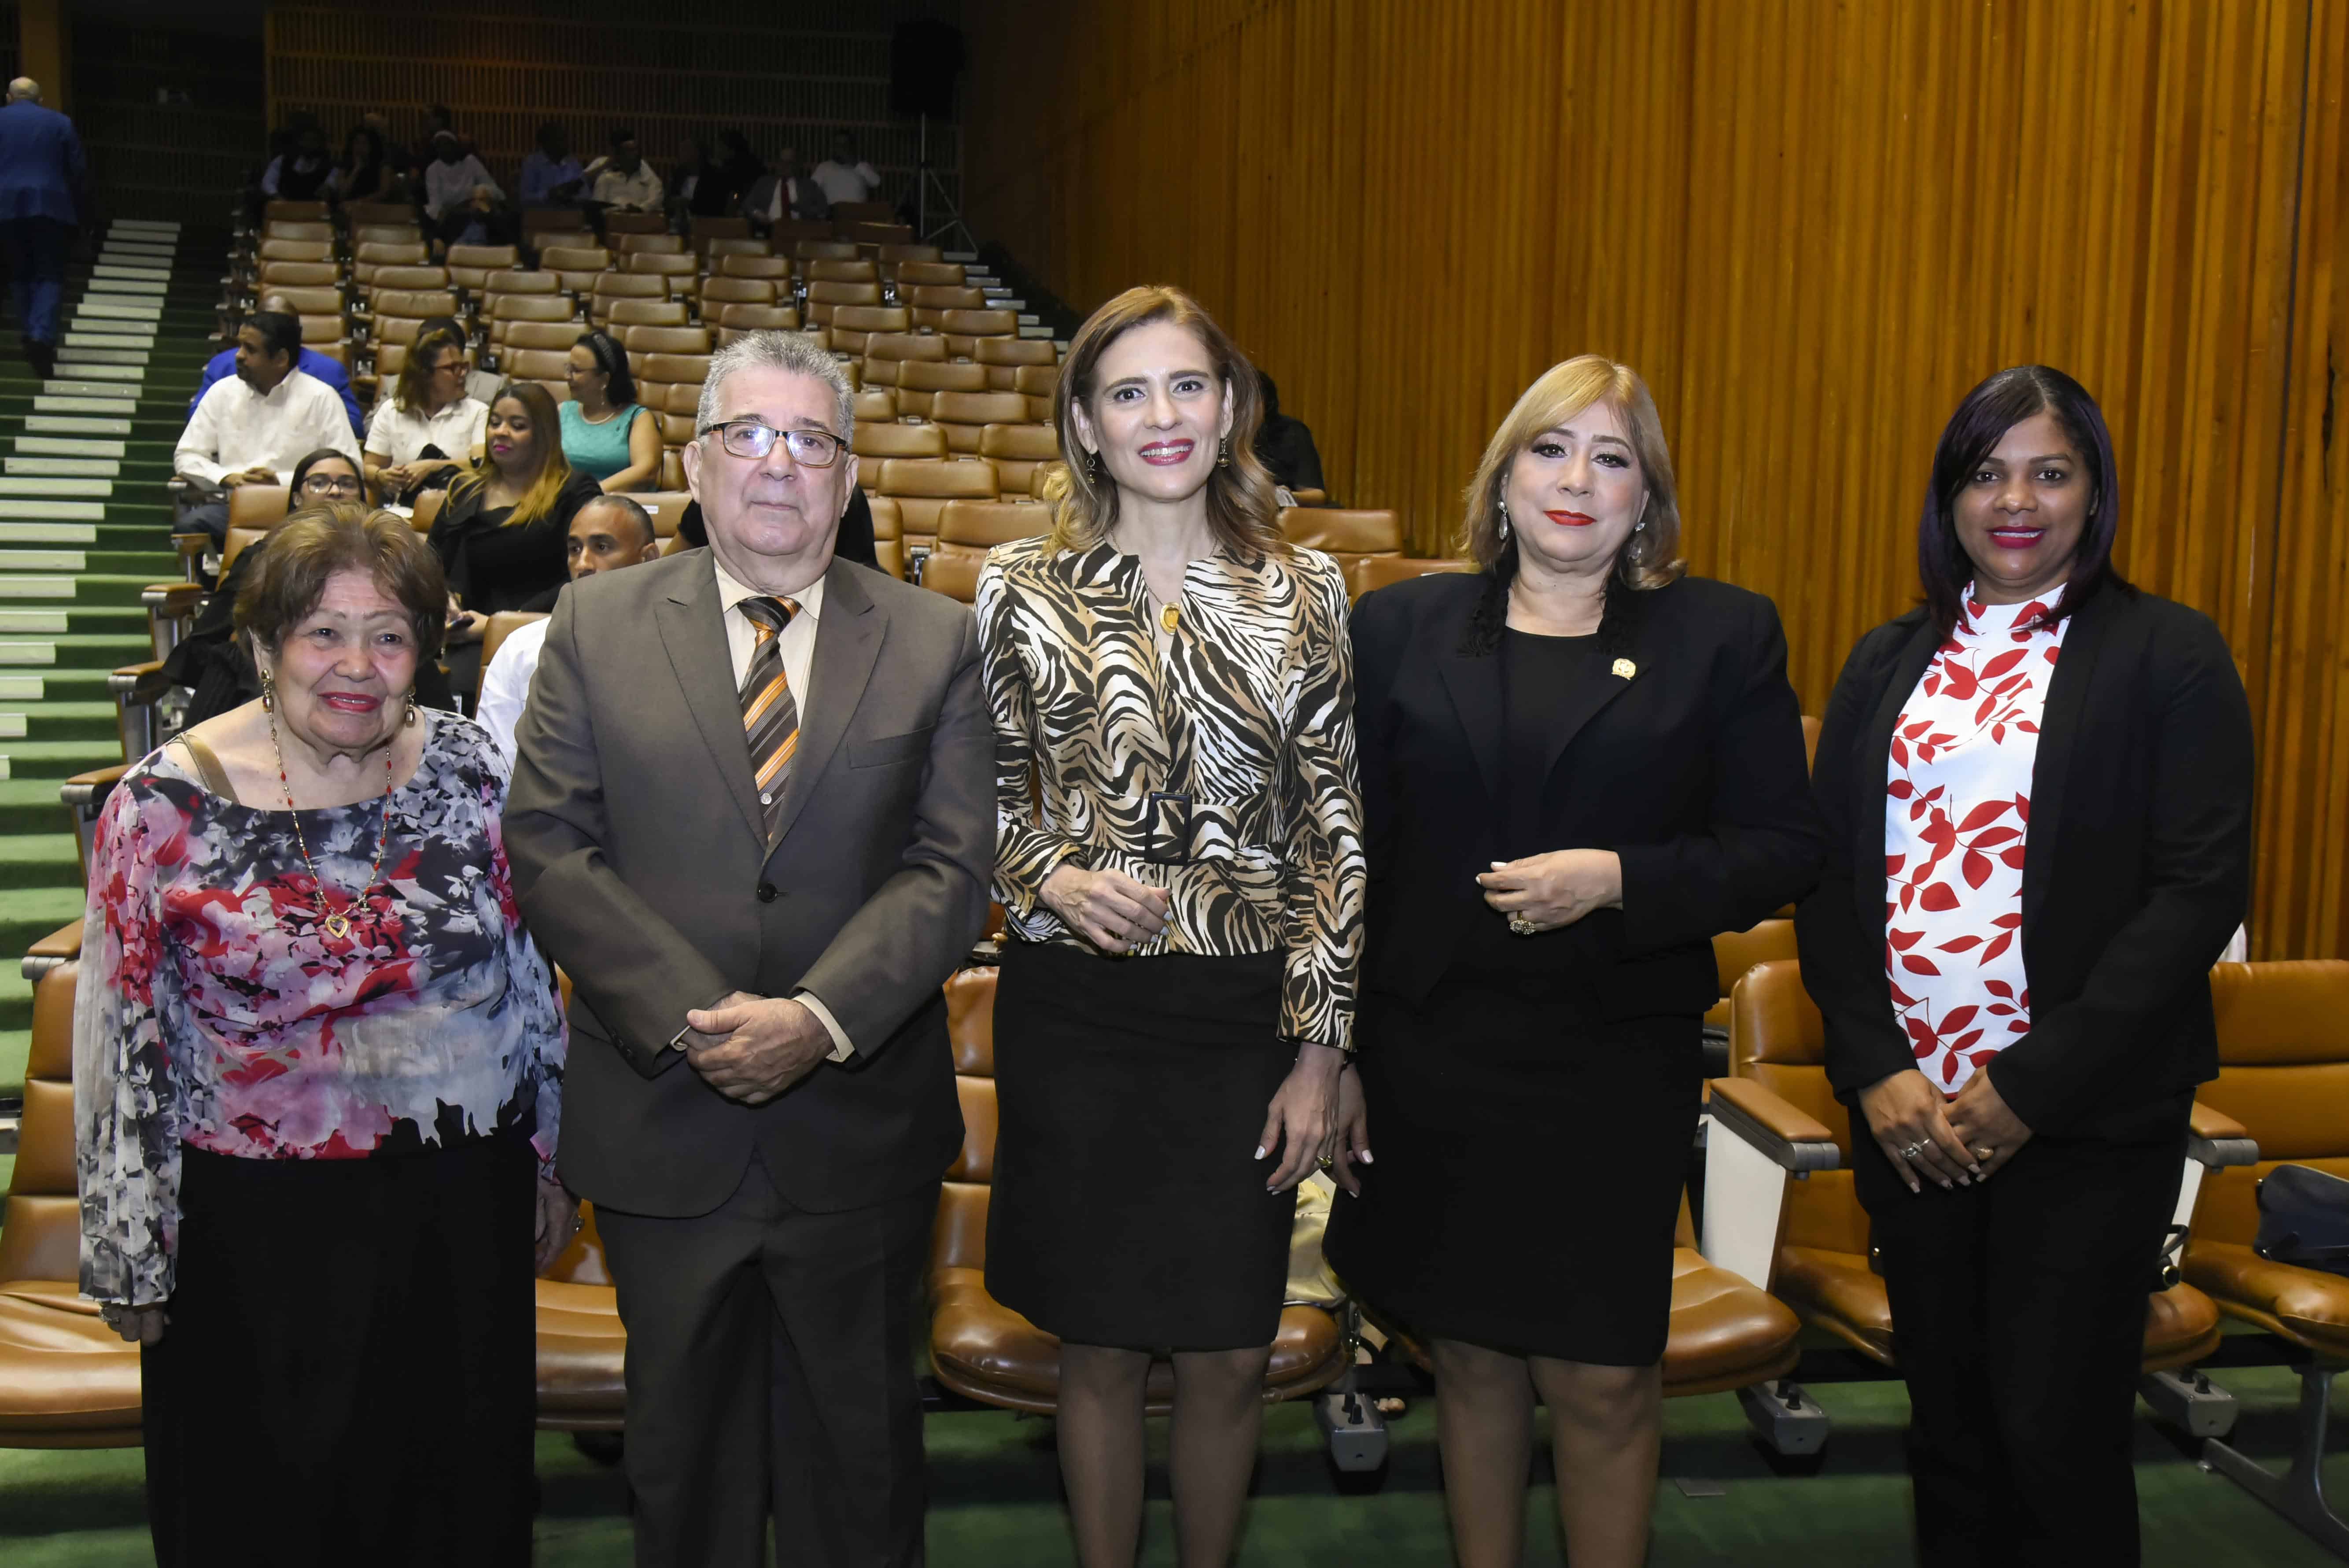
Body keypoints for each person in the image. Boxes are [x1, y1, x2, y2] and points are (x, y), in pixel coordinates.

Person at [1320, 354, 1820, 1568]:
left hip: (1607, 1068)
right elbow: (1341, 856)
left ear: (1643, 496)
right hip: (1431, 1058)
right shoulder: (1397, 624)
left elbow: (1778, 850)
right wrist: (1327, 1050)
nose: (1575, 480)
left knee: (1601, 1382)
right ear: (1501, 478)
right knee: (1473, 1362)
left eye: (1610, 457)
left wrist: (1619, 880)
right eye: (1549, 449)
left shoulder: (1719, 636)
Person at [504, 328, 992, 1568]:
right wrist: (699, 1020)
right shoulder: (593, 623)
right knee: (683, 1466)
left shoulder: (934, 639)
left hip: (859, 1128)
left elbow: (948, 869)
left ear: (845, 475)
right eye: (748, 435)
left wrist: (815, 1021)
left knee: (862, 1467)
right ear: (702, 463)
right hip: (670, 1119)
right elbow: (550, 845)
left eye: (811, 440)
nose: (779, 464)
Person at [1796, 366, 2254, 1568]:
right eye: (1984, 473)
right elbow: (1826, 876)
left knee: (2053, 1434)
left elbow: (2195, 891)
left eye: (2047, 471)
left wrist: (2025, 1090)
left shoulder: (2167, 654)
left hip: (2082, 1119)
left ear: (2091, 492)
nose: (2015, 500)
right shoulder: (1886, 657)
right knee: (1944, 1427)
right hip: (1913, 1123)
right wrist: (1873, 1068)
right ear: (1946, 497)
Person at [77, 504, 570, 1566]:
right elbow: (123, 1039)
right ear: (263, 647)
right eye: (323, 633)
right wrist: (131, 1245)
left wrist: (546, 1155)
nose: (358, 664)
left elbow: (528, 972)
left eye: (389, 634)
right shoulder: (160, 802)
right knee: (267, 1513)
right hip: (250, 1236)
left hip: (458, 1212)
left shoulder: (476, 768)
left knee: (455, 1502)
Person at [975, 285, 1362, 1568]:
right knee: (1094, 1343)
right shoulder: (1016, 585)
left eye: (1186, 385)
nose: (1161, 415)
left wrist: (1319, 1047)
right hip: (1075, 1006)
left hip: (1239, 1016)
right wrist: (1054, 879)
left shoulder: (1303, 587)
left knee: (1231, 1345)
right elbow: (978, 806)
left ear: (1229, 406)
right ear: (1083, 421)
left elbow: (1333, 834)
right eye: (1127, 391)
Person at [159, 450, 465, 729]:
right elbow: (203, 642)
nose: (335, 491)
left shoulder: (393, 561)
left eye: (347, 483)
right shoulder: (263, 556)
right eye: (319, 483)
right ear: (295, 498)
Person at [476, 492, 662, 763]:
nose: (583, 564)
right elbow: (495, 765)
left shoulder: (676, 646)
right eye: (575, 549)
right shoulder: (521, 648)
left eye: (602, 548)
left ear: (648, 558)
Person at [430, 381, 601, 654]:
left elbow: (587, 574)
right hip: (462, 635)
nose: (501, 433)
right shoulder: (464, 490)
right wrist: (445, 602)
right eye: (495, 423)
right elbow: (431, 564)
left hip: (543, 635)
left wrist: (501, 624)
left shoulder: (574, 492)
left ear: (543, 435)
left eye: (517, 426)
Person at [174, 312, 360, 542]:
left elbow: (351, 467)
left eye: (250, 350)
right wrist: (228, 477)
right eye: (240, 347)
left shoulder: (322, 397)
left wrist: (279, 482)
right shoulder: (222, 393)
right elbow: (187, 455)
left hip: (300, 512)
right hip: (234, 508)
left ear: (281, 358)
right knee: (192, 525)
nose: (239, 356)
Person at [189, 291, 365, 437]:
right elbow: (197, 420)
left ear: (298, 333)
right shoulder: (222, 366)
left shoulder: (329, 371)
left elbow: (353, 426)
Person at [0, 77, 83, 380]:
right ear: (41, 99)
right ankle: (40, 336)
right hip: (50, 205)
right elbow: (77, 170)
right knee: (48, 274)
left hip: (4, 206)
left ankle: (29, 332)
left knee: (19, 273)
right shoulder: (60, 123)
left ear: (9, 97)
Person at [364, 324, 486, 504]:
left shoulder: (478, 412)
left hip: (458, 512)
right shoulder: (392, 411)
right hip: (402, 515)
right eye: (453, 368)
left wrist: (433, 467)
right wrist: (382, 476)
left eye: (464, 366)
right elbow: (368, 467)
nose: (462, 375)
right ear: (425, 374)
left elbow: (482, 466)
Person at [559, 329, 660, 491]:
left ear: (604, 379)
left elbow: (645, 471)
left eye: (576, 371)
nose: (567, 377)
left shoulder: (638, 418)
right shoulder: (562, 412)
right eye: (568, 369)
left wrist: (591, 493)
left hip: (619, 507)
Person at [421, 129, 505, 247]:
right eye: (439, 146)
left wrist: (482, 198)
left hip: (475, 214)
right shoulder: (433, 170)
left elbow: (497, 192)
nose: (444, 149)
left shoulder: (471, 163)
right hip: (449, 218)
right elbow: (435, 204)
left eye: (447, 145)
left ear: (456, 146)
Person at [1253, 370, 1324, 496]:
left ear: (1267, 403)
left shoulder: (1291, 432)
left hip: (1281, 511)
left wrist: (1284, 496)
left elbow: (1316, 495)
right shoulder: (1222, 432)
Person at [743, 145, 828, 228]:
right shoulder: (764, 183)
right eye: (781, 162)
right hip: (769, 229)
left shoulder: (809, 186)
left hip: (799, 230)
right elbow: (748, 205)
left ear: (797, 165)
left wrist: (803, 209)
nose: (784, 166)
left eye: (789, 163)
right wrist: (758, 214)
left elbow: (823, 210)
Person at [587, 128, 663, 214]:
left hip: (640, 218)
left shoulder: (646, 173)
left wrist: (641, 209)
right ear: (618, 155)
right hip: (612, 220)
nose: (636, 154)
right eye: (630, 151)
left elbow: (657, 196)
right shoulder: (605, 175)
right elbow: (597, 205)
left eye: (638, 151)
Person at [259, 116, 332, 203]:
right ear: (298, 141)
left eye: (314, 141)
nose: (309, 145)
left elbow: (331, 184)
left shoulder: (327, 165)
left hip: (315, 210)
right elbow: (267, 183)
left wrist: (328, 188)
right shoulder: (282, 161)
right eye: (306, 140)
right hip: (285, 208)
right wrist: (277, 197)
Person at [518, 120, 584, 210]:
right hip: (540, 218)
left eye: (566, 139)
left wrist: (571, 198)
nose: (566, 144)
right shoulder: (532, 164)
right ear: (546, 144)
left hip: (570, 216)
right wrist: (549, 195)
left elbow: (585, 196)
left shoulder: (574, 164)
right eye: (560, 140)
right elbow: (524, 199)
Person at [811, 130, 880, 207]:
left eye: (845, 145)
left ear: (851, 147)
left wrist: (855, 163)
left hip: (858, 216)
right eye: (838, 145)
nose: (842, 148)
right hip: (832, 216)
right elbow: (810, 190)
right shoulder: (824, 167)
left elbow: (876, 182)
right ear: (834, 148)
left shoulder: (862, 166)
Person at [327, 123, 389, 204]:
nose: (360, 147)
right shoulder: (343, 166)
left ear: (372, 147)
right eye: (357, 143)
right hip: (348, 209)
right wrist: (356, 170)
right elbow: (341, 194)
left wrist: (360, 202)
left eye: (365, 144)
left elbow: (383, 193)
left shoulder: (383, 166)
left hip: (375, 209)